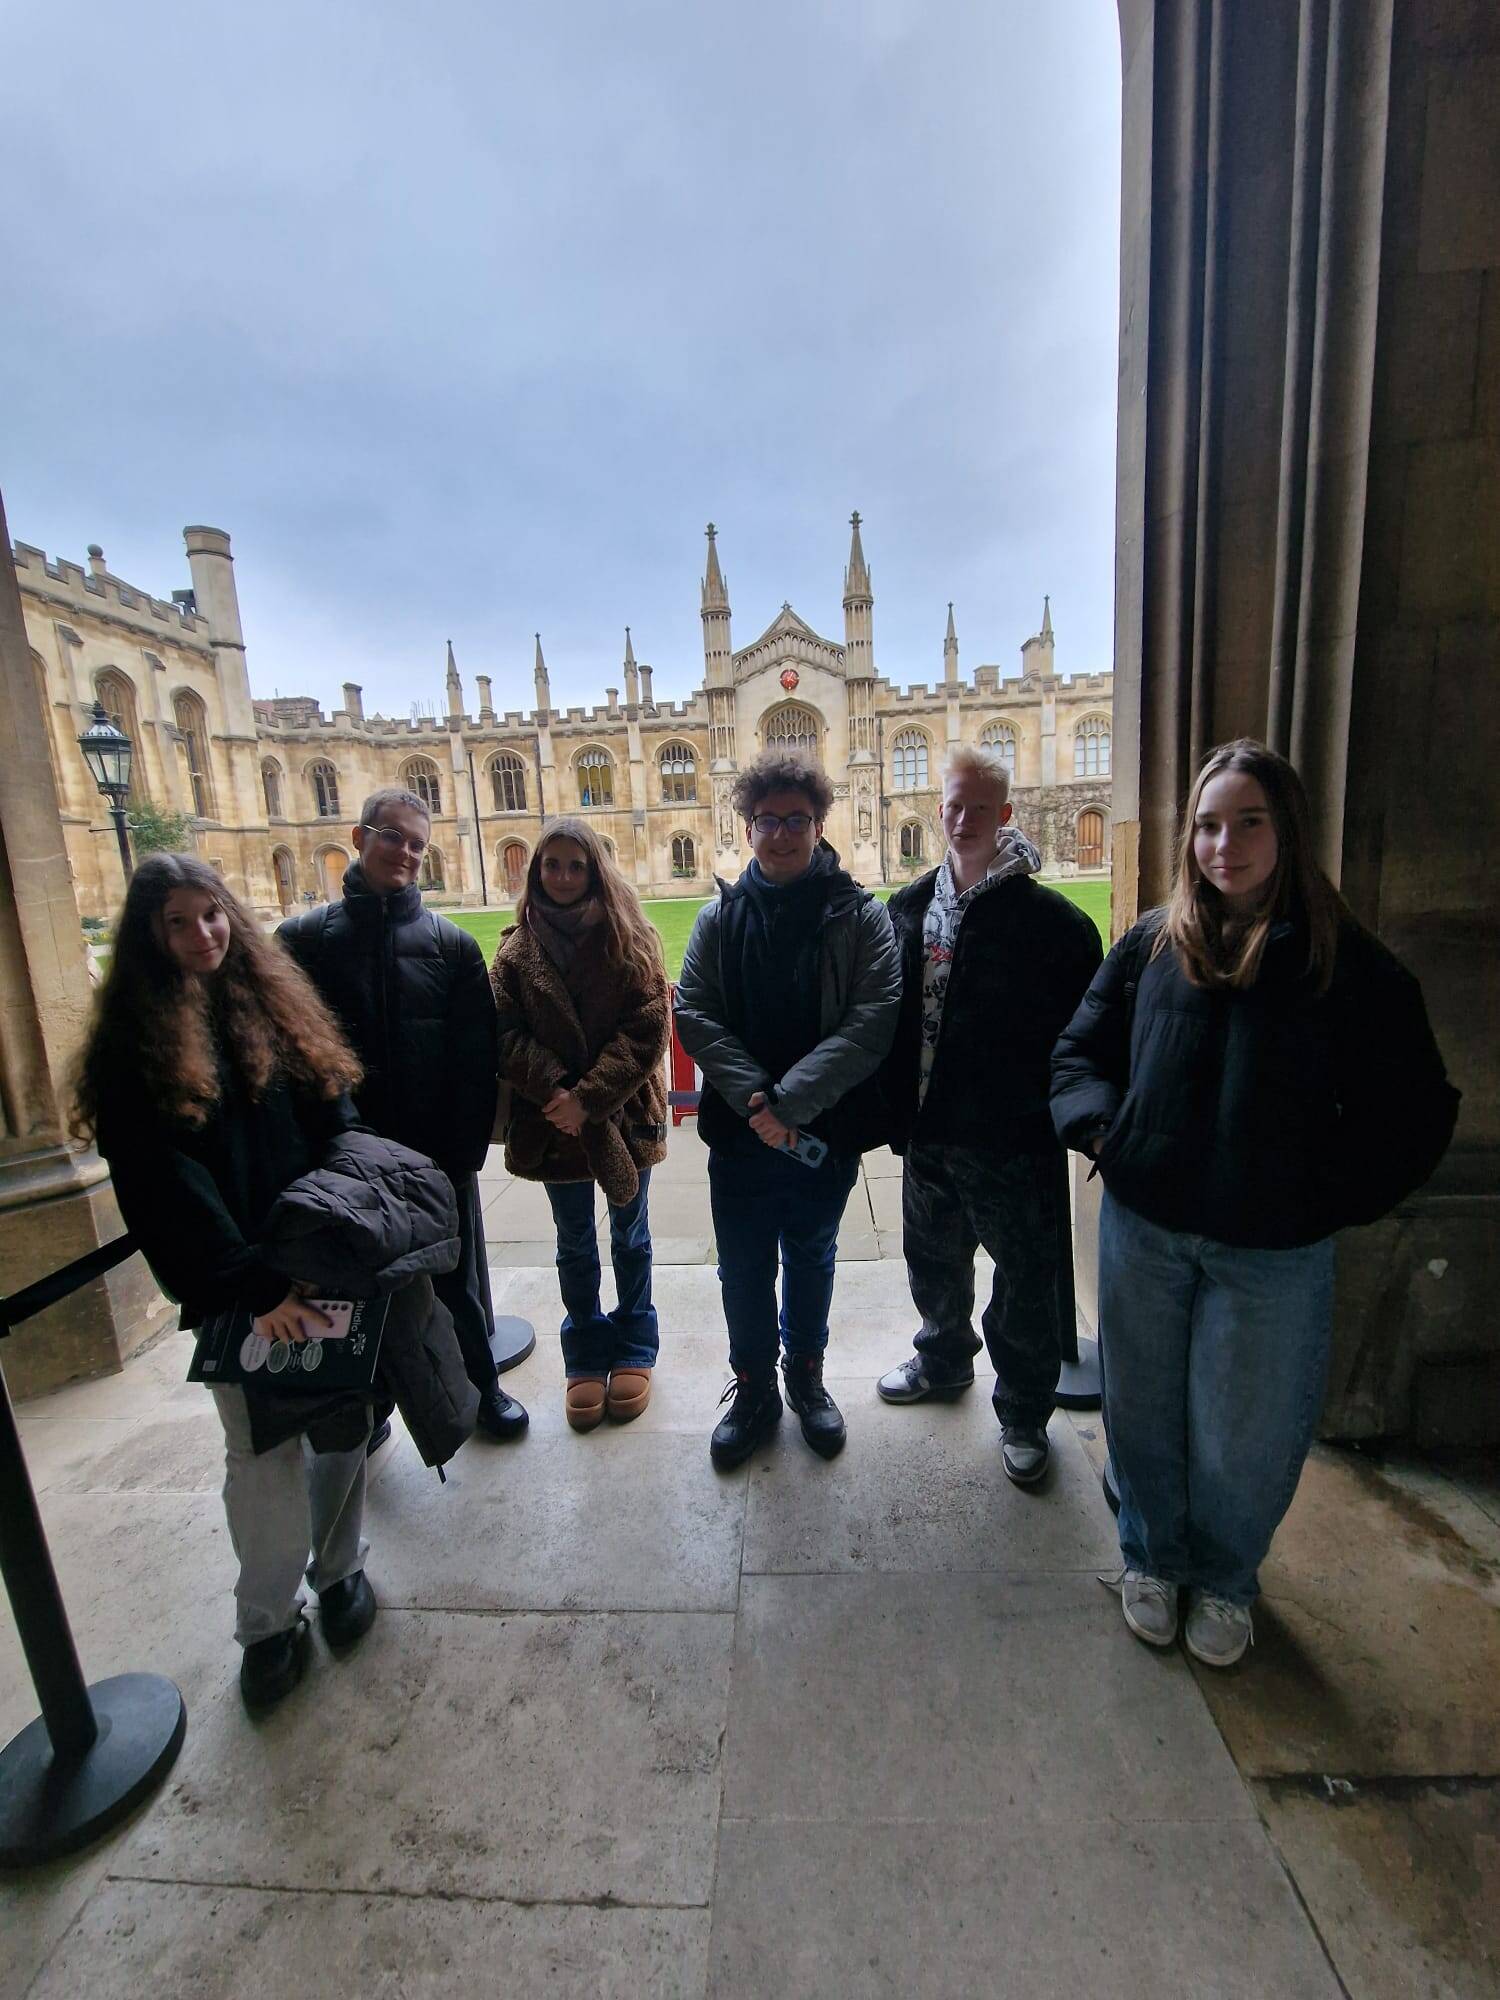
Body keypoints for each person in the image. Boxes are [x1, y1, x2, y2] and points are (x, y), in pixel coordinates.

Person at [1051, 739, 1459, 1666]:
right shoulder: (1153, 943)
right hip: (1148, 1230)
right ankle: (1152, 1556)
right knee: (1143, 1415)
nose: (1223, 845)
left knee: (1247, 1432)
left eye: (1248, 823)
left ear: (1288, 831)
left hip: (1270, 1248)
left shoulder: (1347, 964)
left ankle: (1227, 1578)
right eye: (1206, 825)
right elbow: (1078, 1053)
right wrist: (1110, 1137)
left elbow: (1416, 1112)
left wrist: (1318, 1197)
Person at [72, 854, 375, 1710]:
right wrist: (252, 1284)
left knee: (343, 1425)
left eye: (211, 914)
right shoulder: (133, 1050)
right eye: (178, 921)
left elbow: (333, 1112)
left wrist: (344, 1219)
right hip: (242, 1285)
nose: (202, 934)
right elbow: (165, 1189)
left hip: (318, 1258)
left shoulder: (273, 1002)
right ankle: (268, 1621)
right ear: (150, 936)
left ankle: (341, 1569)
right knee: (260, 1451)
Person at [875, 744, 1102, 1484]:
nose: (964, 818)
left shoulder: (1054, 923)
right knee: (933, 1260)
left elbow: (1081, 1040)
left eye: (979, 807)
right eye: (954, 805)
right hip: (927, 1130)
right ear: (938, 809)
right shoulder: (908, 907)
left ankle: (1024, 1412)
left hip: (1011, 1138)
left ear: (1004, 813)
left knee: (1023, 1281)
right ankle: (943, 1361)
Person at [278, 787, 527, 1444]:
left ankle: (481, 1389)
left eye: (418, 843)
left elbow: (475, 1064)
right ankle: (367, 1409)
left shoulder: (452, 947)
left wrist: (461, 1158)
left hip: (431, 1154)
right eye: (393, 836)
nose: (406, 853)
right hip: (342, 1156)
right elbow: (287, 1057)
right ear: (359, 838)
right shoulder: (302, 942)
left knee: (454, 1283)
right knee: (350, 1287)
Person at [675, 749, 902, 1468]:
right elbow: (695, 1013)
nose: (780, 834)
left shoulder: (861, 917)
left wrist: (790, 1104)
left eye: (795, 820)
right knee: (743, 1269)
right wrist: (759, 1103)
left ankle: (805, 1376)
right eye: (767, 820)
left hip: (822, 1131)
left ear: (819, 824)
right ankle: (754, 1391)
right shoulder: (718, 918)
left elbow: (872, 1020)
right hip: (743, 1133)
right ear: (747, 827)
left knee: (810, 1257)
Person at [490, 819, 671, 1429]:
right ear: (536, 871)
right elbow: (504, 1034)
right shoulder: (515, 950)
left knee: (631, 1238)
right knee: (573, 1243)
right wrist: (557, 1092)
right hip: (554, 1123)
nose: (564, 877)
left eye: (576, 865)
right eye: (553, 864)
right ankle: (586, 1352)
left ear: (595, 870)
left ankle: (637, 1344)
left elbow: (648, 1027)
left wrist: (588, 1098)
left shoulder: (630, 937)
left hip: (623, 1114)